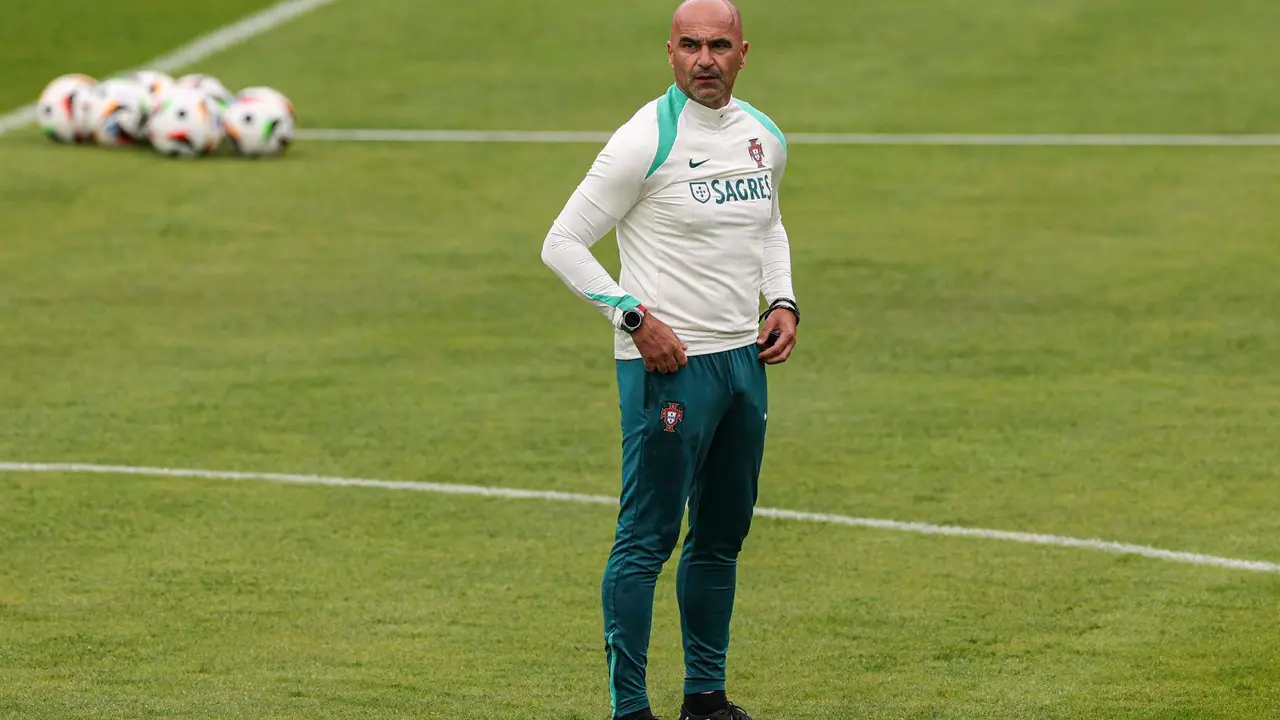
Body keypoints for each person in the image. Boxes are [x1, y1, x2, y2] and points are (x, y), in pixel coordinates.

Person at [540, 1, 797, 717]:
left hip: (743, 364)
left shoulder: (763, 137)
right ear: (670, 52)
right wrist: (633, 318)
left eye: (719, 45)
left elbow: (769, 224)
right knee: (645, 542)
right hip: (667, 369)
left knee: (719, 537)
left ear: (744, 52)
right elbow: (561, 242)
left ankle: (706, 700)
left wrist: (782, 300)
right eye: (690, 45)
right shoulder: (642, 141)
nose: (704, 59)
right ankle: (630, 709)